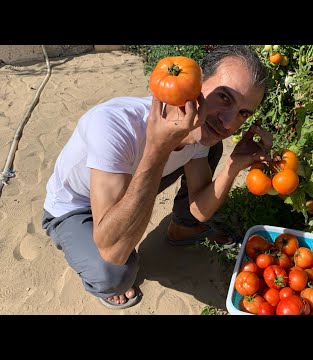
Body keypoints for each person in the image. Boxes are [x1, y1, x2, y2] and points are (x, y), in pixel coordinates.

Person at [41, 45, 272, 310]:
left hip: (128, 181)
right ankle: (77, 245)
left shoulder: (200, 126)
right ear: (196, 82)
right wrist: (158, 148)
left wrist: (233, 165)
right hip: (73, 207)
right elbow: (112, 251)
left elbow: (199, 209)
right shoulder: (113, 125)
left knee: (210, 145)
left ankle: (181, 229)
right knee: (115, 274)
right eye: (224, 98)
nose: (230, 123)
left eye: (244, 113)